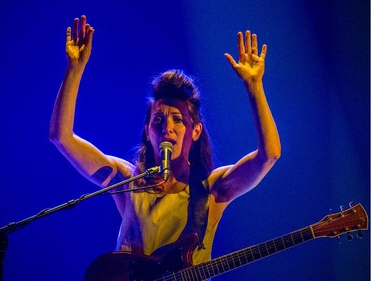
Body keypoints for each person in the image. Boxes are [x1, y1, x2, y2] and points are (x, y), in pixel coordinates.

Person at [49, 15, 281, 272]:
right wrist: (74, 69)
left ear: (195, 131)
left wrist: (254, 87)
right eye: (158, 120)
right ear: (148, 132)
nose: (167, 128)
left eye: (178, 120)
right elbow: (61, 137)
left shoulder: (213, 188)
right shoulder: (128, 182)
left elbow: (268, 155)